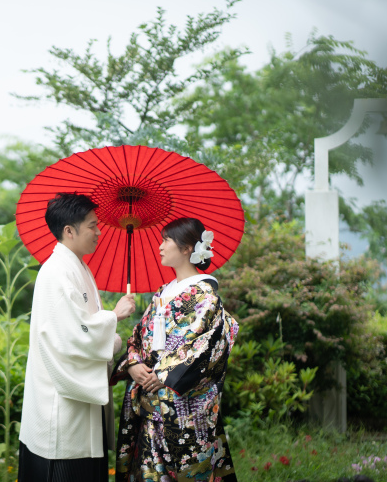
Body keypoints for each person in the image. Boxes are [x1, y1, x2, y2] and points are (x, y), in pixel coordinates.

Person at [18, 192, 137, 482]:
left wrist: (109, 331)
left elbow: (80, 325)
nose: (99, 232)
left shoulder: (78, 267)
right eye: (92, 225)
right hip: (60, 401)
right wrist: (115, 316)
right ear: (69, 231)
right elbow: (70, 335)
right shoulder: (57, 272)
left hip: (78, 392)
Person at [112, 217, 239, 482]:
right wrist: (134, 363)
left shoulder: (205, 296)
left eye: (165, 240)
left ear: (186, 248)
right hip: (149, 403)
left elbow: (208, 347)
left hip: (184, 408)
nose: (160, 246)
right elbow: (138, 337)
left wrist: (164, 374)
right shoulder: (162, 293)